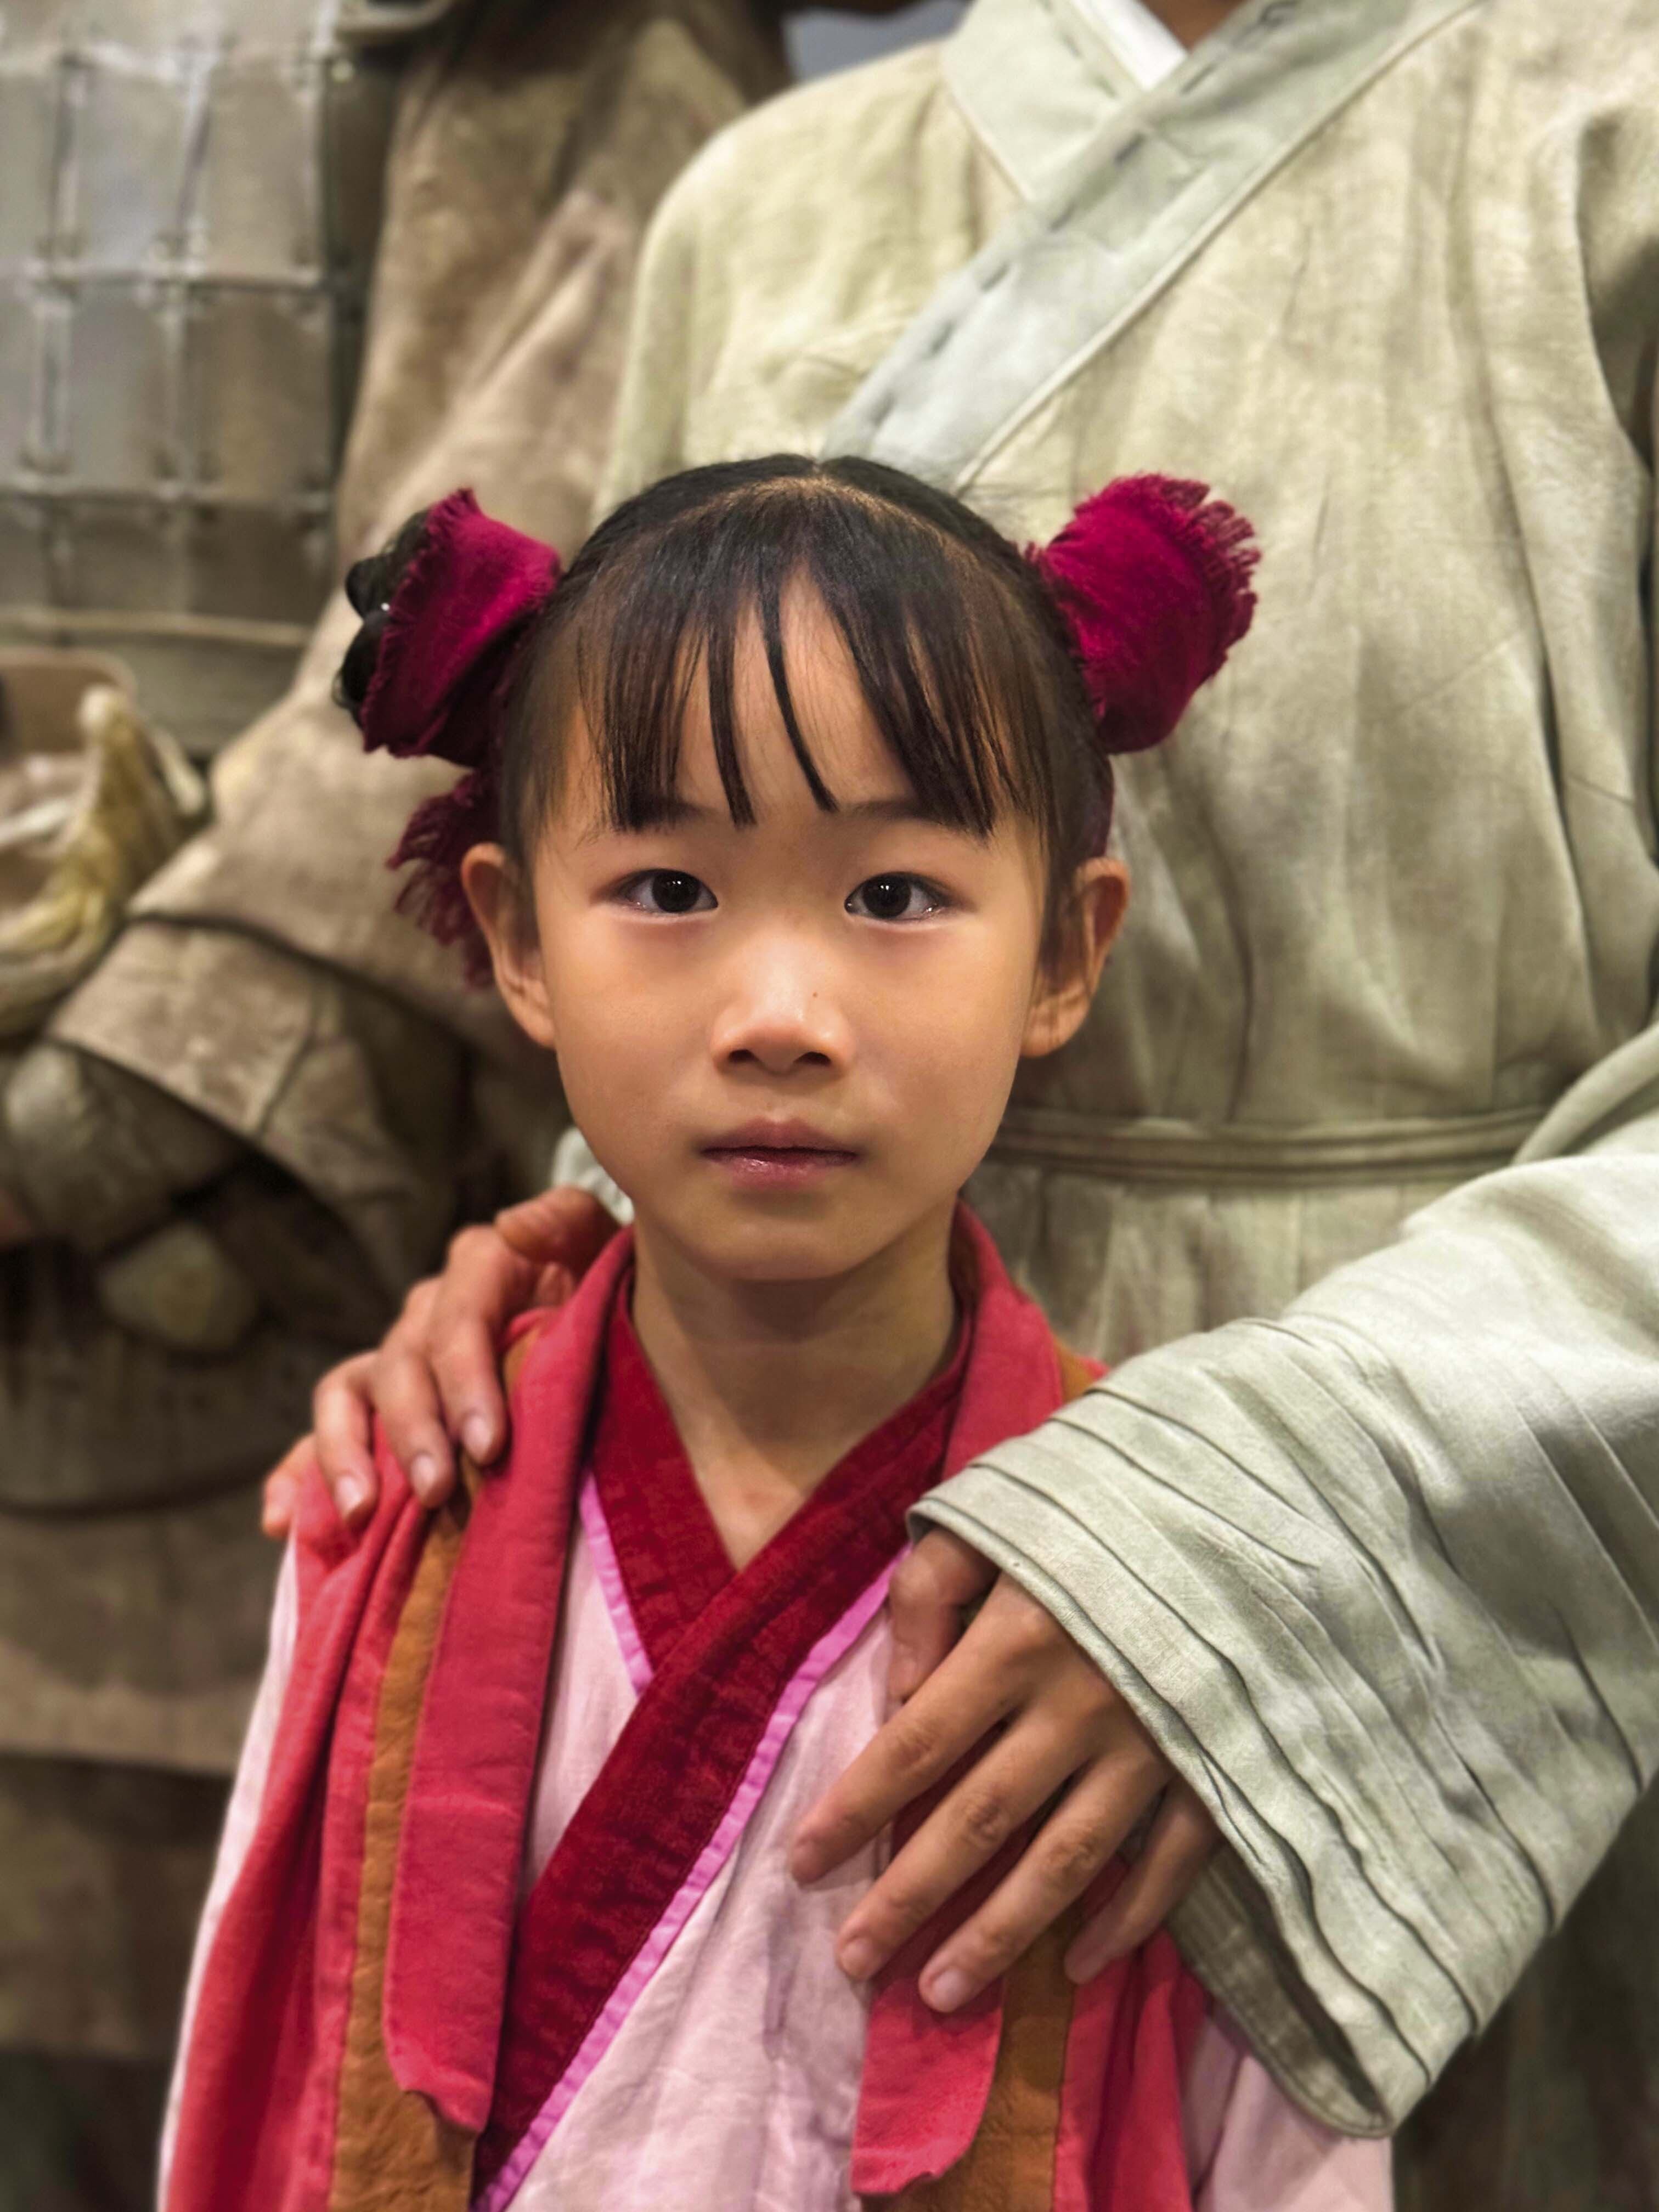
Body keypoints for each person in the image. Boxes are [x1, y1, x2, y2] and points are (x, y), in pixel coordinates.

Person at [274, 0, 1659, 2203]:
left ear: (1069, 943)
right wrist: (569, 1284)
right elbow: (661, 856)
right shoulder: (764, 204)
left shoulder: (1618, 134)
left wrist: (1295, 1531)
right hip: (784, 1437)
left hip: (1475, 1552)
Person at [165, 454, 1395, 2210]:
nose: (781, 1017)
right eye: (669, 889)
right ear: (516, 937)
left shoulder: (1172, 1602)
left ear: (1066, 952)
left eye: (895, 897)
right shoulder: (388, 1506)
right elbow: (251, 2081)